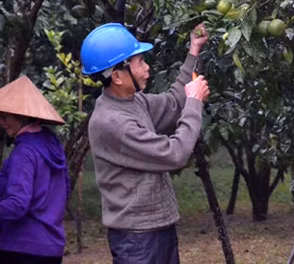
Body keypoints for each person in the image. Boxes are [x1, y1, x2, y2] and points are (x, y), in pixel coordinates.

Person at [80, 22, 210, 264]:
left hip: (157, 227)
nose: (147, 68)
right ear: (117, 76)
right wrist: (194, 104)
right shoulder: (111, 122)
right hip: (137, 239)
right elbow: (174, 154)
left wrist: (194, 50)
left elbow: (173, 103)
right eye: (139, 62)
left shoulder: (133, 102)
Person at [0, 75, 69, 264]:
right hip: (51, 247)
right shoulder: (53, 146)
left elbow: (16, 205)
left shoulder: (24, 152)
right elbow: (65, 190)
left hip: (22, 247)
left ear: (21, 115)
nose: (2, 122)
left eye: (5, 116)